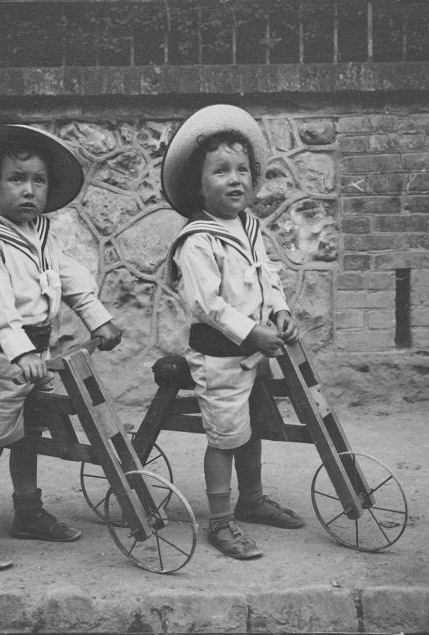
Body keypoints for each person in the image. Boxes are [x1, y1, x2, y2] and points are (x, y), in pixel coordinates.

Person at [0, 124, 122, 571]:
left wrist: (98, 319)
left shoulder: (42, 233)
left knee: (27, 436)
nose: (29, 190)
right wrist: (21, 352)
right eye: (16, 179)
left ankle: (28, 512)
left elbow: (71, 279)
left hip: (35, 359)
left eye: (38, 180)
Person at [161, 105, 305, 560]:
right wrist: (251, 333)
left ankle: (252, 499)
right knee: (225, 435)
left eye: (242, 170)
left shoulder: (248, 226)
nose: (235, 179)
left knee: (252, 425)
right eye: (221, 171)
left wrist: (280, 310)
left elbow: (267, 275)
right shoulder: (197, 240)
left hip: (254, 352)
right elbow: (206, 304)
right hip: (220, 357)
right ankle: (221, 521)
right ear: (198, 184)